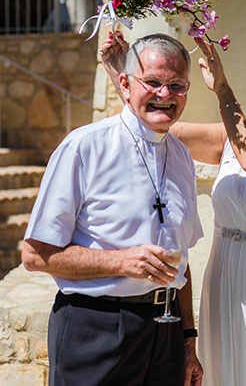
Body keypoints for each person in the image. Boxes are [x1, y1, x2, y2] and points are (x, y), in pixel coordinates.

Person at [101, 34, 246, 385]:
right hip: (224, 290)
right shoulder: (233, 139)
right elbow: (155, 126)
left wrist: (223, 88)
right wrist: (123, 75)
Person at [22, 34, 204, 386]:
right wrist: (122, 261)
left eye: (176, 85)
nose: (164, 95)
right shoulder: (84, 147)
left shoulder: (182, 156)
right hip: (95, 327)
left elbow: (181, 263)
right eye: (152, 82)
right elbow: (35, 255)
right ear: (125, 82)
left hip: (165, 334)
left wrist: (188, 340)